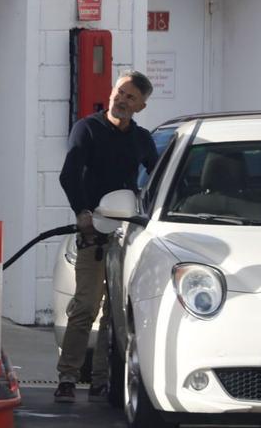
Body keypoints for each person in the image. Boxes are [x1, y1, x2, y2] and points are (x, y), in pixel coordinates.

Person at [54, 70, 158, 403]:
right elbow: (69, 174)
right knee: (85, 305)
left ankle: (102, 380)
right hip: (93, 230)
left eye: (130, 97)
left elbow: (157, 177)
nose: (121, 100)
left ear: (140, 106)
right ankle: (68, 377)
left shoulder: (141, 139)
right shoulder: (88, 129)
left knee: (115, 312)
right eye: (119, 92)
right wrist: (82, 212)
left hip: (126, 232)